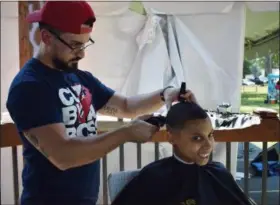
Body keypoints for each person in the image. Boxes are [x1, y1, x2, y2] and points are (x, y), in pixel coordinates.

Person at [6, 1, 197, 205]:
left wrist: (166, 94)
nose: (82, 53)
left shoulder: (79, 78)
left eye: (85, 43)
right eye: (75, 44)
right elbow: (62, 155)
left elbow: (126, 106)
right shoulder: (30, 87)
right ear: (46, 37)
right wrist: (126, 133)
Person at [111, 102, 256, 205]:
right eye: (197, 138)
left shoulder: (219, 173)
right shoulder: (153, 178)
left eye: (210, 135)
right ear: (171, 138)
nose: (208, 145)